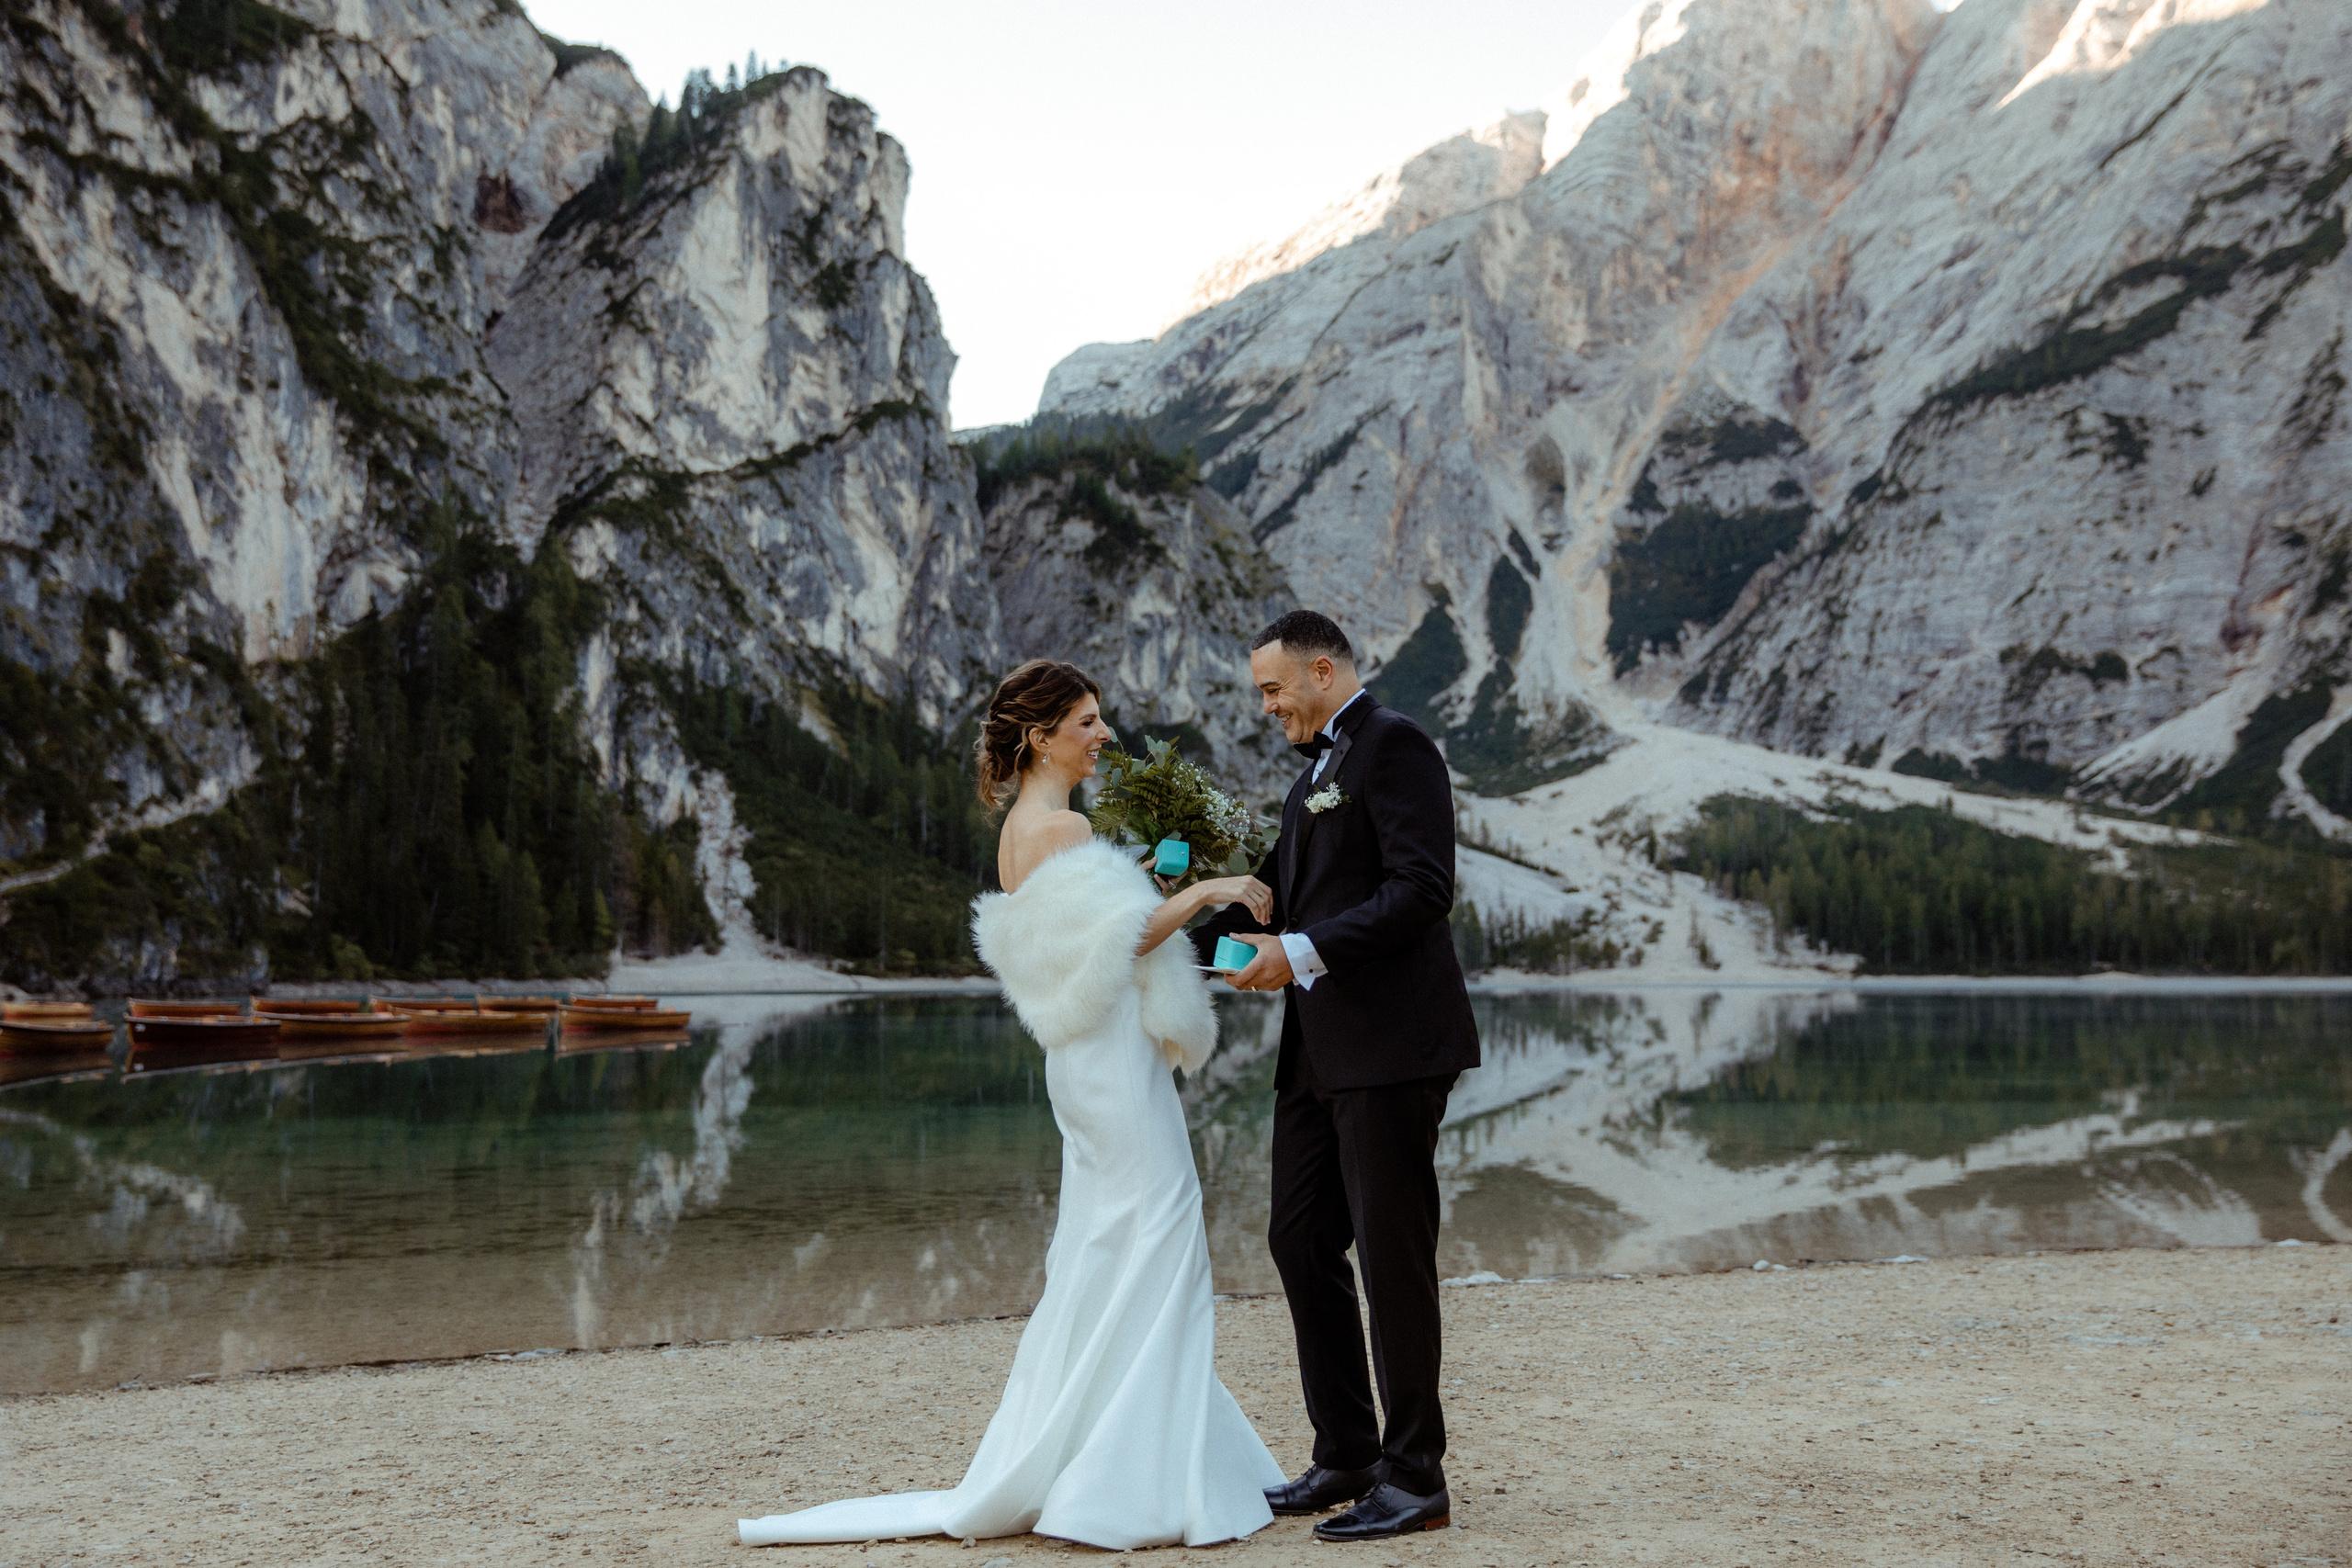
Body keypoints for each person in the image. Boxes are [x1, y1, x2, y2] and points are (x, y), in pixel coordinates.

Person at [739, 659, 1284, 1551]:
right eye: (1087, 721)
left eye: (1100, 720)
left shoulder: (1029, 829)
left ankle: (1127, 1448)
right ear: (1040, 737)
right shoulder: (1058, 827)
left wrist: (1154, 874)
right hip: (1108, 1064)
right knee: (1159, 1231)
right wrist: (1206, 891)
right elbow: (1128, 934)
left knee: (1108, 1246)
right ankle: (1131, 1475)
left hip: (1088, 1060)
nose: (1103, 735)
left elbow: (1089, 935)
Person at [1192, 609, 1482, 1542]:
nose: (1267, 706)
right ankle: (1348, 1450)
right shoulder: (1310, 775)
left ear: (1323, 670)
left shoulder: (1394, 748)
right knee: (1298, 1238)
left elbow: (1422, 889)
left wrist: (1301, 951)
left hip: (1394, 1051)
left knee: (1392, 1257)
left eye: (1275, 688)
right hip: (1318, 1056)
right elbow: (1266, 905)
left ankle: (1414, 1478)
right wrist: (1148, 922)